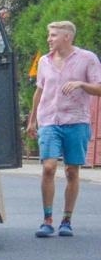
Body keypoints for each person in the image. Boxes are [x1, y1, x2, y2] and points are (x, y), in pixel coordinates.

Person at [26, 20, 101, 236]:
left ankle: (66, 220)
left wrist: (81, 84)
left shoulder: (87, 59)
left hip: (76, 120)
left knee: (71, 170)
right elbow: (39, 92)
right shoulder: (44, 61)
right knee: (48, 167)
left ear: (67, 37)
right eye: (49, 35)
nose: (49, 39)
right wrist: (32, 120)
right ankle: (47, 219)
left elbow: (98, 88)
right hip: (49, 119)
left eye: (53, 35)